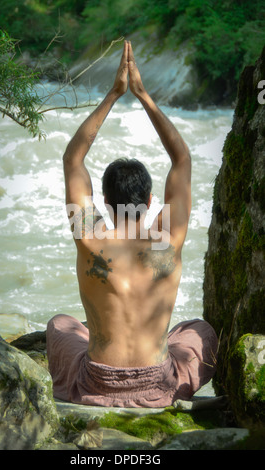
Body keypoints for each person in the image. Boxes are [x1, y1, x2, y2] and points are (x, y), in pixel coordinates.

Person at [46, 41, 218, 408]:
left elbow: (73, 160)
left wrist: (113, 94)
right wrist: (142, 94)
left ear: (104, 203)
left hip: (97, 383)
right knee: (198, 331)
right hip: (158, 385)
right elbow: (182, 158)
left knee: (62, 324)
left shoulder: (90, 238)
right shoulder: (166, 239)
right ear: (152, 202)